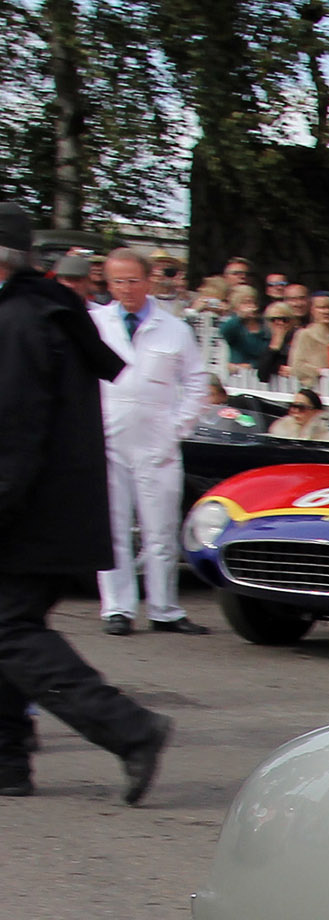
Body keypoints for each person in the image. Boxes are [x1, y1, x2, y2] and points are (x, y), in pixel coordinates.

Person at [0, 205, 170, 800]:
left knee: (9, 631)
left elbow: (14, 430)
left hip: (27, 512)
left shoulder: (19, 321)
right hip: (50, 507)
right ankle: (8, 762)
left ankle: (129, 729)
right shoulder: (44, 312)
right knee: (11, 630)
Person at [87, 247, 212, 637]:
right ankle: (117, 608)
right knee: (113, 527)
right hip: (109, 436)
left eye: (133, 280)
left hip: (156, 438)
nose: (126, 289)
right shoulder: (94, 323)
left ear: (149, 281)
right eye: (118, 281)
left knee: (161, 528)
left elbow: (196, 382)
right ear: (108, 284)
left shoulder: (174, 327)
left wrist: (177, 427)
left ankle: (164, 608)